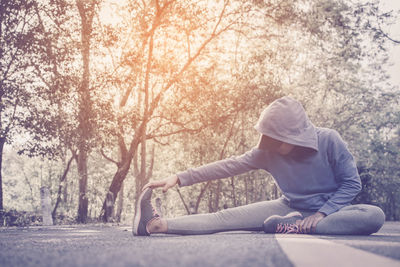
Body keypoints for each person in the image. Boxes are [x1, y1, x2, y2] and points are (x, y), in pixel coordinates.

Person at [132, 96, 385, 236]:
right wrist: (178, 177)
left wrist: (322, 213)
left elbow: (352, 184)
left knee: (374, 216)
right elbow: (228, 166)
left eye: (279, 140)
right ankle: (155, 225)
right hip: (288, 208)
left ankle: (295, 227)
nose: (272, 145)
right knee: (224, 218)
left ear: (296, 134)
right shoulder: (266, 152)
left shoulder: (329, 140)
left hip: (331, 214)